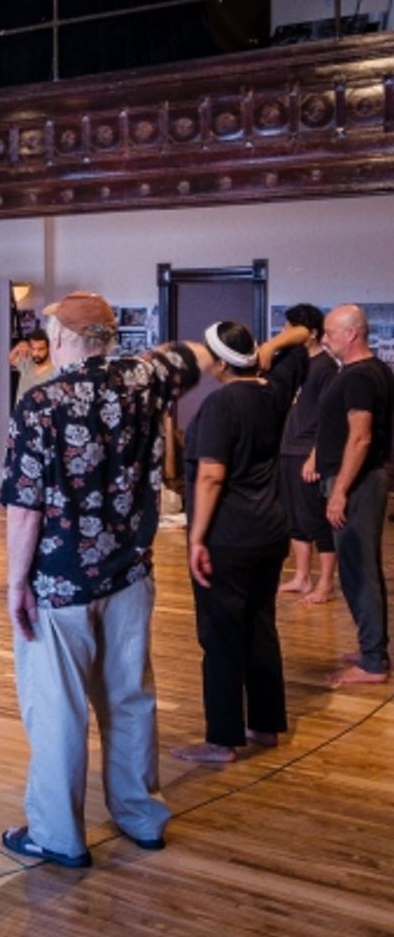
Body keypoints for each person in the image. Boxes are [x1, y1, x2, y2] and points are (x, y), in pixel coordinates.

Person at [0, 291, 211, 868]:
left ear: (65, 338)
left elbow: (25, 507)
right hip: (129, 572)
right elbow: (196, 353)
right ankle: (141, 816)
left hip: (61, 580)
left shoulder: (43, 402)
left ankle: (57, 834)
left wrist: (15, 583)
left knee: (59, 711)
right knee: (129, 698)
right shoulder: (145, 379)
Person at [173, 321, 307, 765]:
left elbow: (211, 475)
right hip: (270, 531)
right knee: (260, 626)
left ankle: (221, 740)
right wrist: (266, 347)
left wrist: (196, 538)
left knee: (221, 636)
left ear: (216, 364)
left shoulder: (220, 405)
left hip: (228, 536)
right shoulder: (273, 392)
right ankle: (265, 724)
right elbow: (303, 335)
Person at [314, 304, 393, 687]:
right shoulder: (368, 371)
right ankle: (371, 647)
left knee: (358, 570)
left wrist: (339, 491)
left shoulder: (361, 377)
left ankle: (373, 662)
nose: (324, 339)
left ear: (352, 334)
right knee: (362, 567)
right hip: (359, 480)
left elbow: (360, 438)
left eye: (329, 332)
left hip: (357, 483)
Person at [275, 305, 337, 604]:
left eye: (292, 328)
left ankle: (326, 584)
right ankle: (301, 576)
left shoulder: (327, 366)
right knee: (295, 518)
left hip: (308, 450)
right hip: (286, 447)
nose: (286, 334)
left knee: (317, 519)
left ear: (311, 333)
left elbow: (330, 417)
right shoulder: (291, 363)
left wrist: (316, 455)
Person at [9, 328, 55, 406]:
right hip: (20, 415)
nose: (36, 353)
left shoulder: (55, 371)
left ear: (48, 348)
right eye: (33, 349)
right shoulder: (27, 363)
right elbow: (11, 359)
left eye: (40, 349)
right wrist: (19, 347)